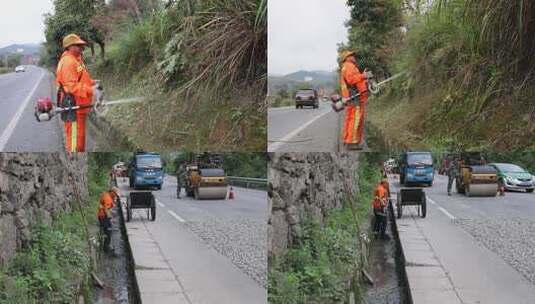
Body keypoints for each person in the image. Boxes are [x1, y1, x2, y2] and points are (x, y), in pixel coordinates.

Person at [56, 33, 102, 152]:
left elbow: (81, 78)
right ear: (69, 46)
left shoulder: (76, 60)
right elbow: (71, 86)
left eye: (81, 45)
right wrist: (91, 90)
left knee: (80, 140)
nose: (82, 48)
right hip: (73, 108)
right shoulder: (68, 62)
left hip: (80, 107)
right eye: (78, 45)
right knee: (75, 144)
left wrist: (92, 82)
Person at [339, 50, 369, 147]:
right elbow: (351, 80)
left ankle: (347, 139)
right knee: (355, 119)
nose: (354, 57)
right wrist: (363, 76)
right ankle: (352, 142)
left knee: (350, 118)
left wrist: (362, 77)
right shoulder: (349, 66)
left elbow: (354, 79)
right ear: (347, 57)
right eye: (352, 55)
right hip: (355, 96)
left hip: (351, 96)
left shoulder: (348, 67)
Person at [97, 187, 120, 254]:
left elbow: (107, 207)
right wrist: (110, 217)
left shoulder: (107, 195)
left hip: (102, 216)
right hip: (103, 217)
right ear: (112, 192)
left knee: (108, 231)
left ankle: (107, 246)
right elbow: (106, 210)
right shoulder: (108, 198)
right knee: (108, 232)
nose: (116, 196)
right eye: (115, 194)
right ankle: (106, 249)